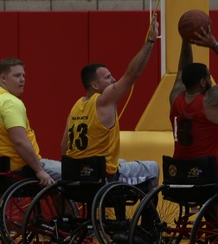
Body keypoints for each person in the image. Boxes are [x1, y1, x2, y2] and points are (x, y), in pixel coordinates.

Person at [63, 17, 160, 189]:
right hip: (104, 178)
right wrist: (150, 41)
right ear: (95, 85)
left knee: (121, 161)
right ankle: (148, 216)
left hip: (76, 175)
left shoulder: (75, 107)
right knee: (152, 167)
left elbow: (64, 147)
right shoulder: (103, 100)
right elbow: (131, 75)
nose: (114, 79)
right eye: (108, 77)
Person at [169, 23, 218, 169]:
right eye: (209, 77)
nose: (211, 80)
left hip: (179, 173)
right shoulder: (210, 101)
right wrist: (213, 44)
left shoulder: (175, 98)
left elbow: (182, 70)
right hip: (206, 176)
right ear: (203, 82)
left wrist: (186, 41)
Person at [0, 58, 61, 186]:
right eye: (17, 75)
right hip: (21, 167)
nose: (22, 79)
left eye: (23, 75)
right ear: (3, 78)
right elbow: (20, 141)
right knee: (70, 172)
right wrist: (39, 170)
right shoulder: (9, 101)